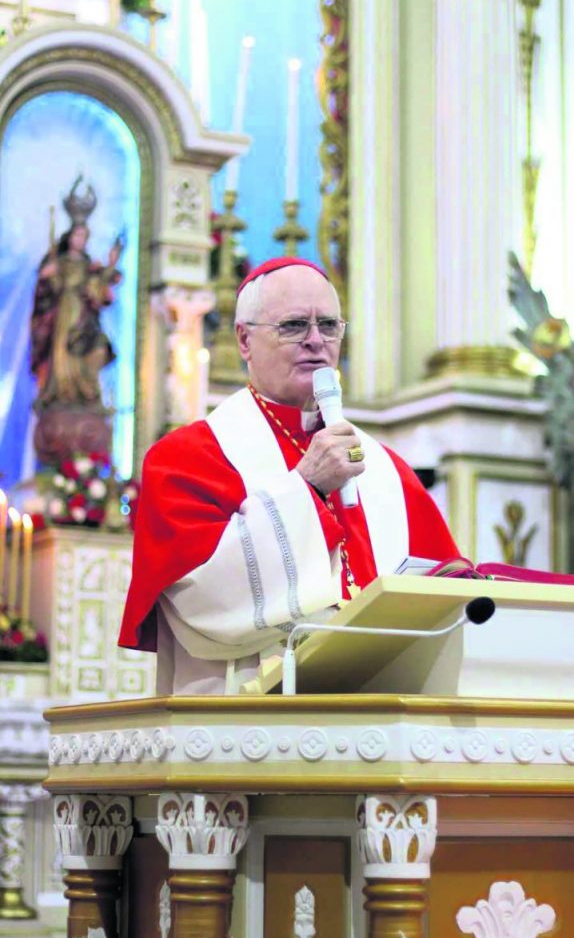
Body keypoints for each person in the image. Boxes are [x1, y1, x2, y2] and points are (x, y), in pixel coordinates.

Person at [119, 257, 459, 694]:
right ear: (244, 339)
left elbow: (445, 594)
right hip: (245, 730)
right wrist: (307, 488)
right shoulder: (186, 459)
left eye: (330, 325)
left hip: (379, 715)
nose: (316, 341)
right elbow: (205, 603)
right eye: (295, 325)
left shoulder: (386, 469)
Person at [30, 223, 121, 409]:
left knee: (93, 349)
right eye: (76, 235)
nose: (79, 240)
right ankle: (60, 392)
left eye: (83, 237)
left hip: (82, 314)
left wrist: (111, 264)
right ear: (69, 237)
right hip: (64, 311)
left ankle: (85, 392)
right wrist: (50, 272)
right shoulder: (60, 261)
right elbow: (44, 280)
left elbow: (103, 284)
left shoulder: (89, 265)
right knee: (61, 350)